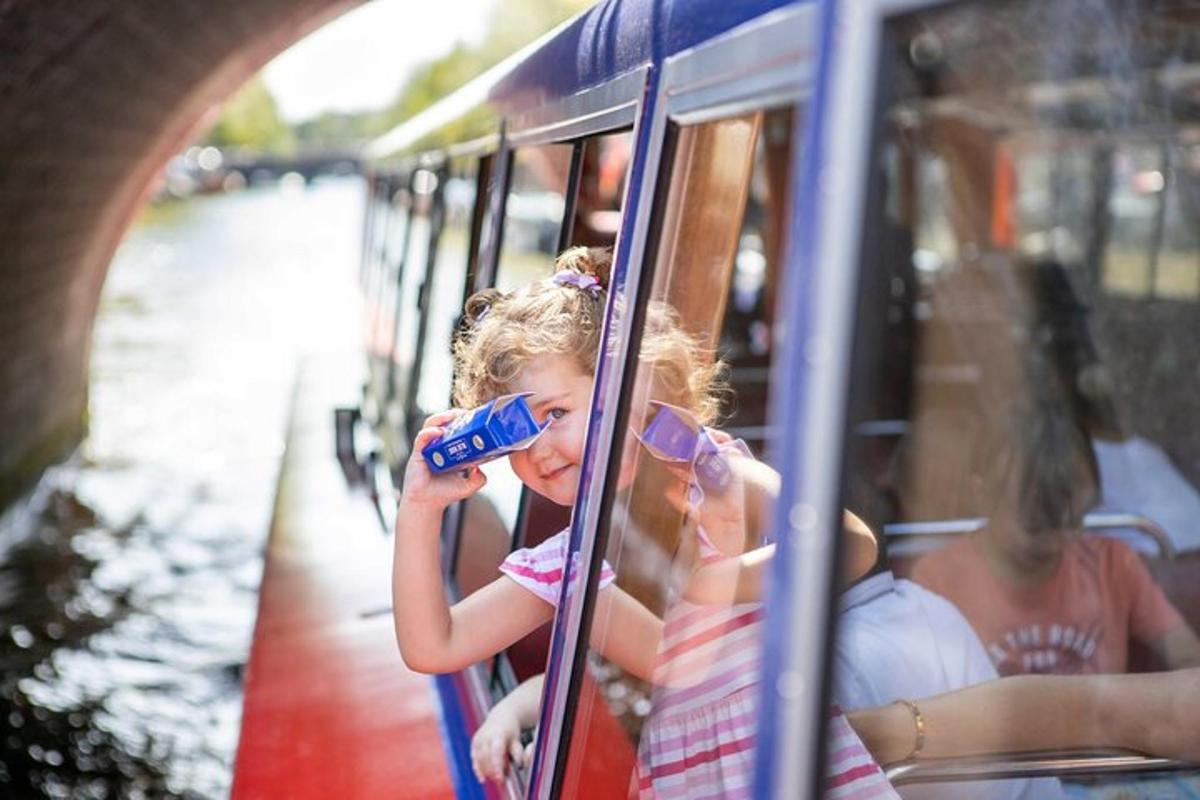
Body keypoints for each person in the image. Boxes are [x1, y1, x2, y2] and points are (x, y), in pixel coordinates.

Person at [392, 246, 899, 799]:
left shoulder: (718, 471)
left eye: (555, 414)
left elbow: (853, 545)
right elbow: (433, 647)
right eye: (514, 434)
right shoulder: (565, 565)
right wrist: (420, 509)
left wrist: (719, 578)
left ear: (629, 389)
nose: (537, 450)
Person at [911, 391, 1200, 676]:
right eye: (1034, 517)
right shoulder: (939, 581)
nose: (1054, 536)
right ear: (981, 493)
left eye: (1069, 516)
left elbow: (1186, 657)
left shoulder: (1112, 564)